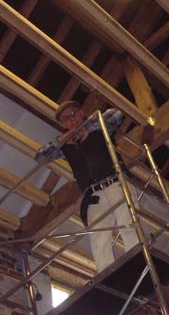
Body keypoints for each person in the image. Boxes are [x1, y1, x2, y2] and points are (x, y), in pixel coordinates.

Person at [35, 100, 139, 272]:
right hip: (93, 196)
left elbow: (117, 114)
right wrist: (61, 140)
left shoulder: (98, 125)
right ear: (63, 124)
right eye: (66, 119)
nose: (71, 119)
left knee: (128, 225)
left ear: (82, 113)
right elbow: (40, 157)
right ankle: (107, 274)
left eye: (73, 114)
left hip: (115, 183)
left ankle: (139, 263)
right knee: (98, 238)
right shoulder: (66, 145)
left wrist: (88, 129)